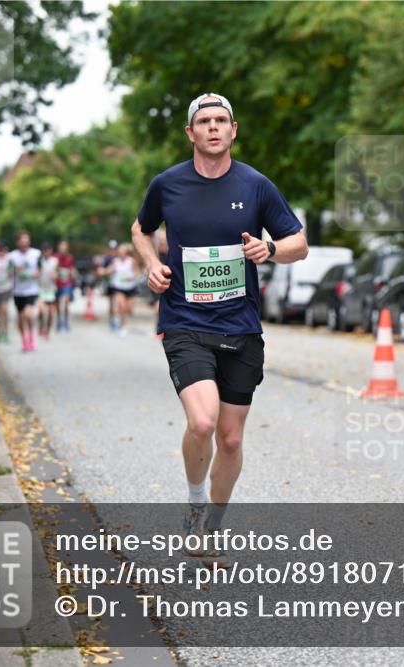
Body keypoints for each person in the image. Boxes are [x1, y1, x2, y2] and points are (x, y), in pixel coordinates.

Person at [131, 93, 307, 566]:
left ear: (233, 130)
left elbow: (299, 243)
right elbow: (139, 227)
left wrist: (269, 251)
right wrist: (152, 264)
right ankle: (194, 502)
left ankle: (214, 524)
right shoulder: (167, 185)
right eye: (203, 121)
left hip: (241, 326)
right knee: (203, 421)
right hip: (185, 320)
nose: (213, 127)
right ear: (190, 133)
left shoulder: (255, 185)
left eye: (221, 121)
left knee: (230, 438)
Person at [9, 231, 42, 352]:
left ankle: (32, 336)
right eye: (22, 240)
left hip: (31, 290)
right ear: (17, 242)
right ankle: (24, 340)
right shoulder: (12, 256)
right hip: (18, 291)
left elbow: (40, 269)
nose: (24, 242)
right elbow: (8, 273)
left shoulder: (36, 254)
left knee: (29, 314)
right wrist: (16, 269)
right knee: (21, 318)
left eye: (26, 240)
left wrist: (37, 273)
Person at [107, 242, 140, 335]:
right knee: (121, 305)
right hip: (119, 287)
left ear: (126, 252)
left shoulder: (131, 261)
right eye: (120, 251)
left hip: (130, 287)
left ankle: (120, 319)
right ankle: (122, 325)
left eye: (123, 251)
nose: (121, 252)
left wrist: (133, 276)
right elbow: (110, 269)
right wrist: (104, 271)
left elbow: (137, 272)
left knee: (129, 309)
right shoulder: (115, 261)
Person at [38, 243, 59, 340]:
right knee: (42, 311)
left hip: (51, 289)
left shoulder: (55, 261)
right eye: (45, 251)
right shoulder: (39, 261)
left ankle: (48, 331)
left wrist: (55, 275)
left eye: (48, 250)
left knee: (50, 312)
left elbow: (57, 273)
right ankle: (41, 325)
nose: (47, 253)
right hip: (41, 288)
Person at [55, 240, 75, 331]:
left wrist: (73, 274)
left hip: (67, 283)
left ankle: (66, 321)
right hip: (57, 283)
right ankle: (59, 321)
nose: (63, 249)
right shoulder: (55, 257)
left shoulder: (70, 257)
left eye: (65, 247)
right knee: (58, 304)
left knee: (66, 301)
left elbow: (72, 268)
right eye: (61, 247)